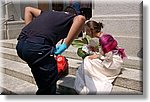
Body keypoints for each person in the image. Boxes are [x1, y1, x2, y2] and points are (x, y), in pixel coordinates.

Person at [16, 6, 85, 95]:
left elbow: (28, 9)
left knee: (42, 79)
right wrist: (65, 45)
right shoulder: (69, 17)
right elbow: (81, 19)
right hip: (37, 48)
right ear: (73, 15)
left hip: (21, 44)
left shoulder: (48, 13)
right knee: (48, 85)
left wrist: (30, 33)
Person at [74, 20, 127, 94]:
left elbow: (108, 58)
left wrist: (98, 56)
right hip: (114, 61)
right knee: (89, 59)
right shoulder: (104, 36)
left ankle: (90, 85)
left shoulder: (103, 39)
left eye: (87, 31)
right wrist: (97, 53)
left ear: (90, 31)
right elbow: (106, 52)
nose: (86, 34)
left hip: (112, 67)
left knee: (87, 60)